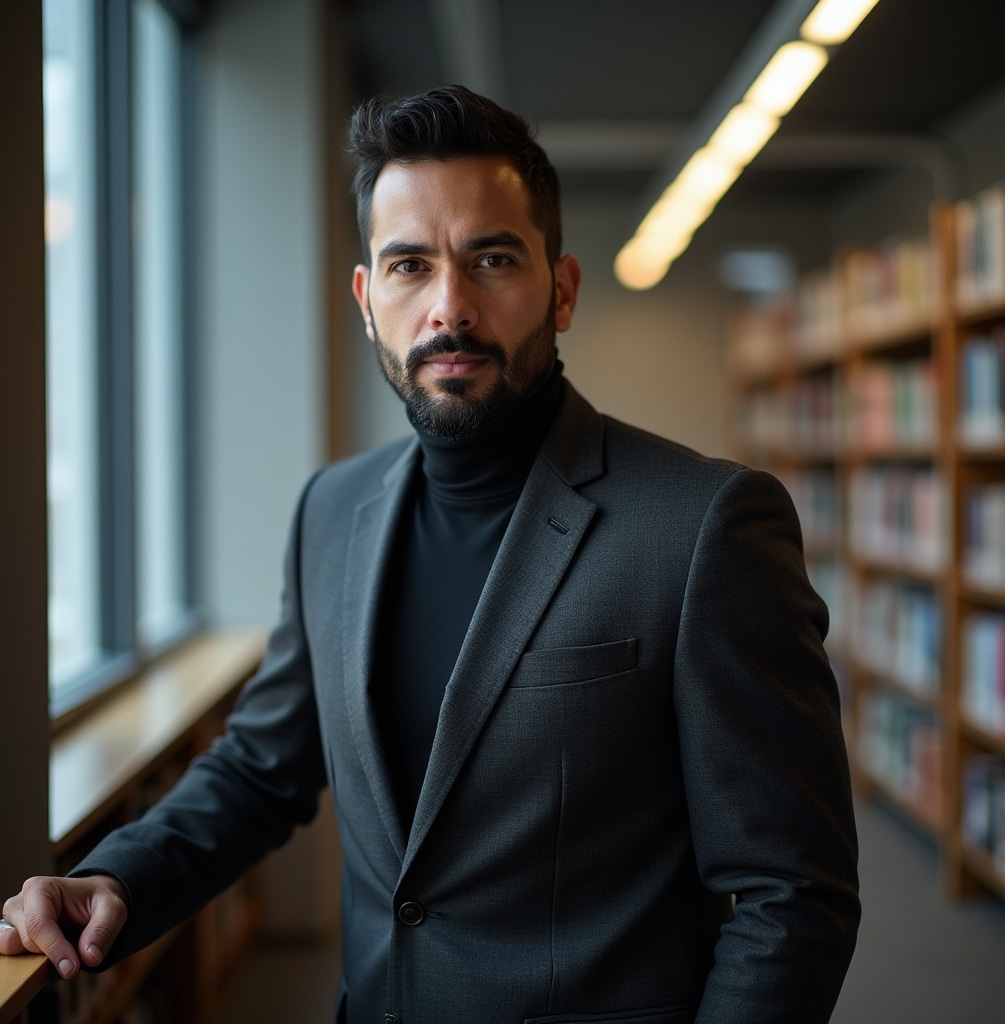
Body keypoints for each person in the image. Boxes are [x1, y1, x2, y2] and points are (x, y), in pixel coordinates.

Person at [2, 85, 860, 1023]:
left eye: (491, 258)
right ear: (370, 299)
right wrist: (117, 878)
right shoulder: (331, 511)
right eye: (410, 264)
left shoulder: (704, 527)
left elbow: (794, 891)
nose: (449, 308)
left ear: (561, 289)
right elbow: (263, 766)